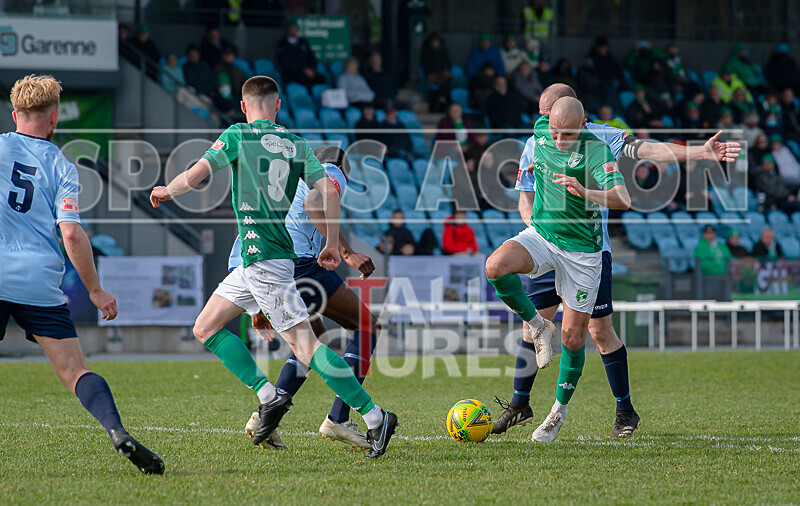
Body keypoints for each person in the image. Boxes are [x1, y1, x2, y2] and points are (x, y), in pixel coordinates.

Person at [149, 76, 398, 459]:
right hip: (257, 259)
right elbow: (328, 193)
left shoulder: (236, 136)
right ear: (278, 105)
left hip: (265, 257)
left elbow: (196, 174)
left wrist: (168, 189)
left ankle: (375, 418)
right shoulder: (297, 145)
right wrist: (333, 245)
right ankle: (269, 398)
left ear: (244, 106)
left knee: (307, 347)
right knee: (205, 327)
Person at [492, 83, 742, 441]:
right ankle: (520, 403)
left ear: (578, 115)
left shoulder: (602, 139)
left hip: (589, 251)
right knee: (531, 327)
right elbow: (524, 199)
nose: (548, 125)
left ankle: (624, 410)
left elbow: (648, 149)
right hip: (547, 243)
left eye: (554, 117)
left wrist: (698, 153)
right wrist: (539, 230)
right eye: (544, 117)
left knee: (596, 332)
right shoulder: (536, 139)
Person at [0, 75, 163, 474]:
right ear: (54, 118)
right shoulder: (62, 166)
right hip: (39, 282)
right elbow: (71, 232)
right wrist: (95, 289)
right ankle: (117, 431)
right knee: (76, 371)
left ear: (15, 113)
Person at [485, 96, 632, 443]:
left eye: (567, 135)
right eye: (554, 132)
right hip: (543, 236)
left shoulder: (597, 152)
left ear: (583, 127)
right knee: (495, 266)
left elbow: (623, 199)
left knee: (574, 337)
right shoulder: (539, 132)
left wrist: (585, 191)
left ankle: (557, 413)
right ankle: (538, 326)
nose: (558, 140)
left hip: (583, 254)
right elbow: (526, 184)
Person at [222, 145, 382, 450]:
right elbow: (314, 204)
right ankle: (339, 418)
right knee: (367, 326)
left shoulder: (277, 184)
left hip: (259, 266)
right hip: (297, 263)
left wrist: (256, 305)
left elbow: (244, 240)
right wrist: (346, 252)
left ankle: (264, 418)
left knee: (310, 341)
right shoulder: (328, 172)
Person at [276, 22, 320, 87]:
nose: (294, 31)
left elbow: (311, 56)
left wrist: (311, 69)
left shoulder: (303, 42)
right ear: (288, 30)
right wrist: (303, 70)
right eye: (292, 29)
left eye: (295, 29)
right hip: (292, 73)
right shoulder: (283, 44)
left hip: (307, 72)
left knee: (321, 78)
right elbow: (285, 62)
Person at [420, 32, 453, 113]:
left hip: (442, 75)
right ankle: (443, 99)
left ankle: (440, 98)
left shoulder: (443, 52)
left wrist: (444, 71)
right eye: (434, 41)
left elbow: (448, 64)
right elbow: (426, 67)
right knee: (444, 83)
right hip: (431, 75)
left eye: (437, 41)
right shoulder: (426, 52)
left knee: (448, 80)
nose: (436, 43)